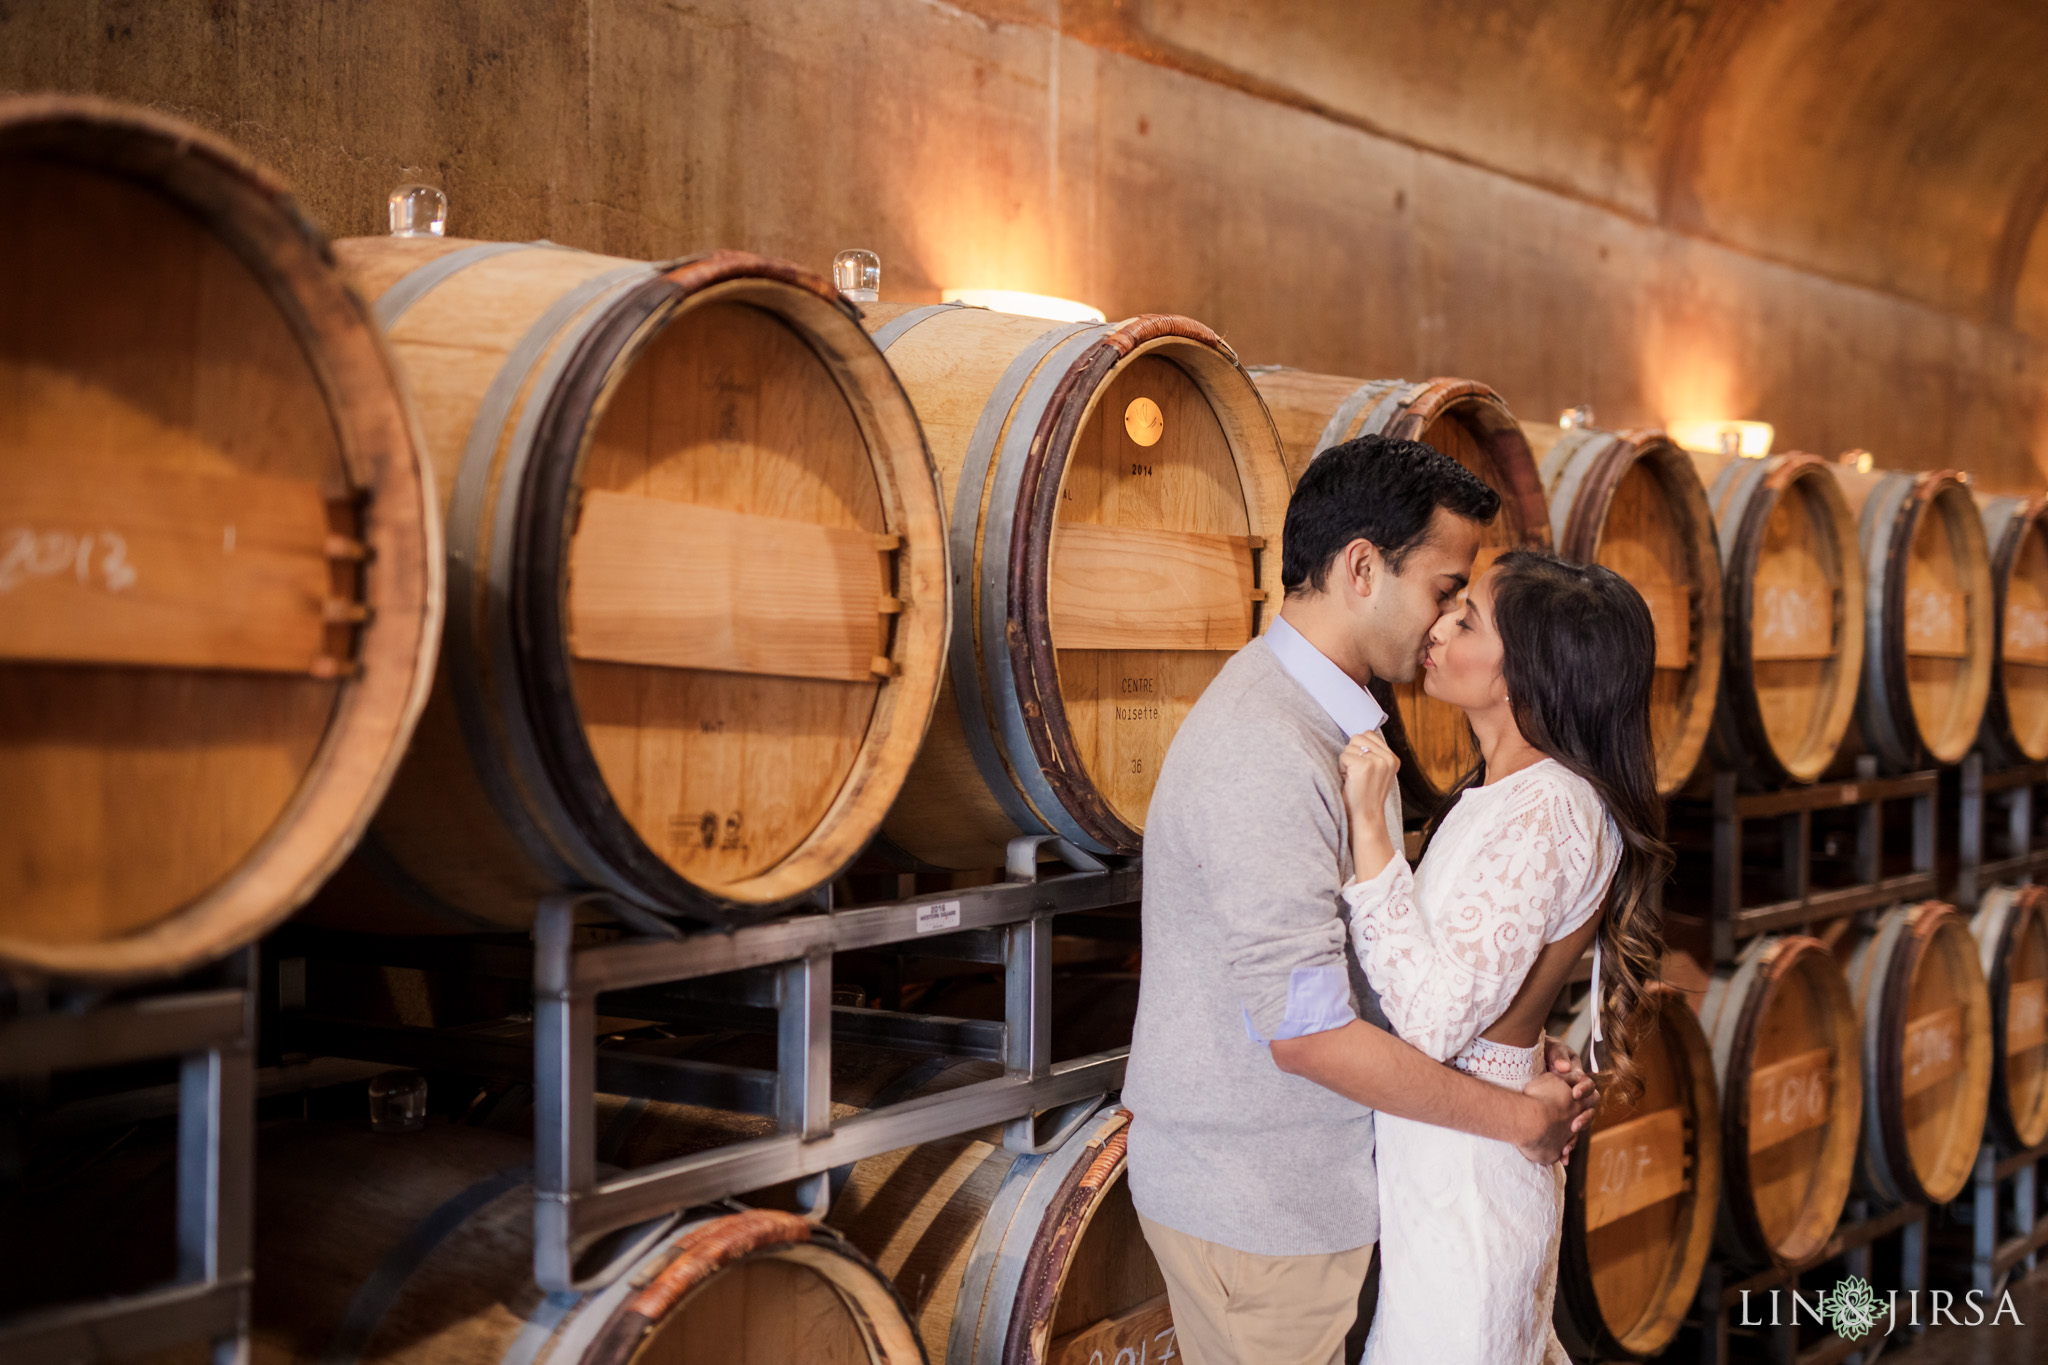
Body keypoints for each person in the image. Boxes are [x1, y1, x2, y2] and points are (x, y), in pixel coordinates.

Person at [1123, 435, 1603, 1365]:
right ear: (1359, 569)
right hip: (1261, 1209)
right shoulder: (1265, 747)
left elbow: (1373, 960)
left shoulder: (1337, 726)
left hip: (1308, 1192)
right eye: (1443, 588)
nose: (1449, 618)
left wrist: (1505, 1046)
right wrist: (1514, 1116)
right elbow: (1306, 1030)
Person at [1339, 548, 1669, 1365]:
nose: (1441, 624)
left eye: (1470, 618)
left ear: (1525, 673)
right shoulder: (1510, 792)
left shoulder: (1549, 808)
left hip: (1471, 1179)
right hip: (1462, 1148)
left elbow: (1434, 1017)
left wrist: (1373, 835)